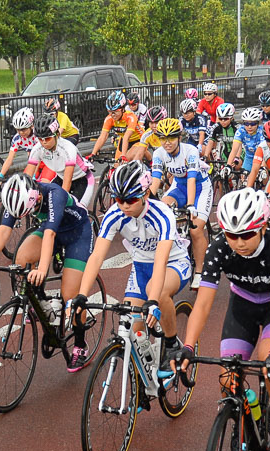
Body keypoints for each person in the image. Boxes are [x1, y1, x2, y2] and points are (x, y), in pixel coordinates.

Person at [173, 187, 270, 451]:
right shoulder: (219, 247)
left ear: (262, 227)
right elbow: (203, 304)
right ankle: (240, 417)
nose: (239, 243)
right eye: (232, 235)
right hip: (242, 304)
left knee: (269, 361)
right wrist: (187, 347)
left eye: (246, 235)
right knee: (228, 374)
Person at [74, 160, 191, 375]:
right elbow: (97, 255)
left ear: (146, 194)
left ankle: (172, 343)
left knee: (158, 293)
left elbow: (161, 260)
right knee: (130, 329)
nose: (124, 206)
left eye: (131, 199)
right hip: (140, 266)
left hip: (173, 263)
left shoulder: (162, 213)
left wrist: (154, 300)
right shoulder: (114, 214)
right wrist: (82, 295)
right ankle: (142, 385)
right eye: (119, 200)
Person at [0, 174, 93, 370]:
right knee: (21, 259)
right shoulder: (17, 196)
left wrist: (42, 269)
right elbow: (3, 230)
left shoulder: (54, 194)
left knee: (70, 296)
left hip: (76, 235)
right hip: (49, 230)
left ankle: (80, 346)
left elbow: (50, 234)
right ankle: (42, 304)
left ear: (36, 198)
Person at [149, 117, 211, 285]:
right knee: (162, 208)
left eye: (171, 138)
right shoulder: (158, 153)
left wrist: (191, 206)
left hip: (200, 188)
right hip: (179, 186)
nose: (166, 142)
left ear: (179, 137)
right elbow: (155, 180)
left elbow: (191, 180)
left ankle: (199, 271)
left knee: (196, 229)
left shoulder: (190, 151)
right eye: (163, 138)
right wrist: (148, 201)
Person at [24, 113, 95, 208]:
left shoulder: (68, 148)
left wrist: (61, 202)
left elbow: (67, 181)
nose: (44, 142)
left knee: (75, 211)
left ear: (57, 135)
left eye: (48, 138)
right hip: (60, 178)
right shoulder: (37, 148)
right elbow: (27, 175)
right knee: (43, 205)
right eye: (40, 139)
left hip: (82, 180)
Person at [88, 91, 140, 161]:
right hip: (123, 141)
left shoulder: (131, 117)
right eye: (109, 111)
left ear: (122, 109)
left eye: (115, 111)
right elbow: (103, 137)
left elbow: (126, 137)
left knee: (127, 158)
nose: (112, 115)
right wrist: (93, 154)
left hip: (138, 140)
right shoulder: (109, 118)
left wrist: (123, 156)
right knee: (116, 165)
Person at [0, 107, 40, 181]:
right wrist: (1, 175)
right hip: (33, 161)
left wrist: (34, 176)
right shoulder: (17, 138)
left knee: (44, 182)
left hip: (46, 160)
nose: (20, 133)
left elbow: (39, 158)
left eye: (23, 129)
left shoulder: (38, 136)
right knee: (25, 183)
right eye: (18, 130)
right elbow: (10, 158)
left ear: (31, 126)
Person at [226, 106, 265, 180]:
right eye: (246, 124)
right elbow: (234, 150)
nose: (249, 127)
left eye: (253, 124)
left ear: (258, 123)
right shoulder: (241, 131)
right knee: (243, 178)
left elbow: (264, 151)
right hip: (249, 157)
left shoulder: (262, 132)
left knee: (263, 177)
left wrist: (262, 167)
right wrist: (228, 165)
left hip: (262, 158)